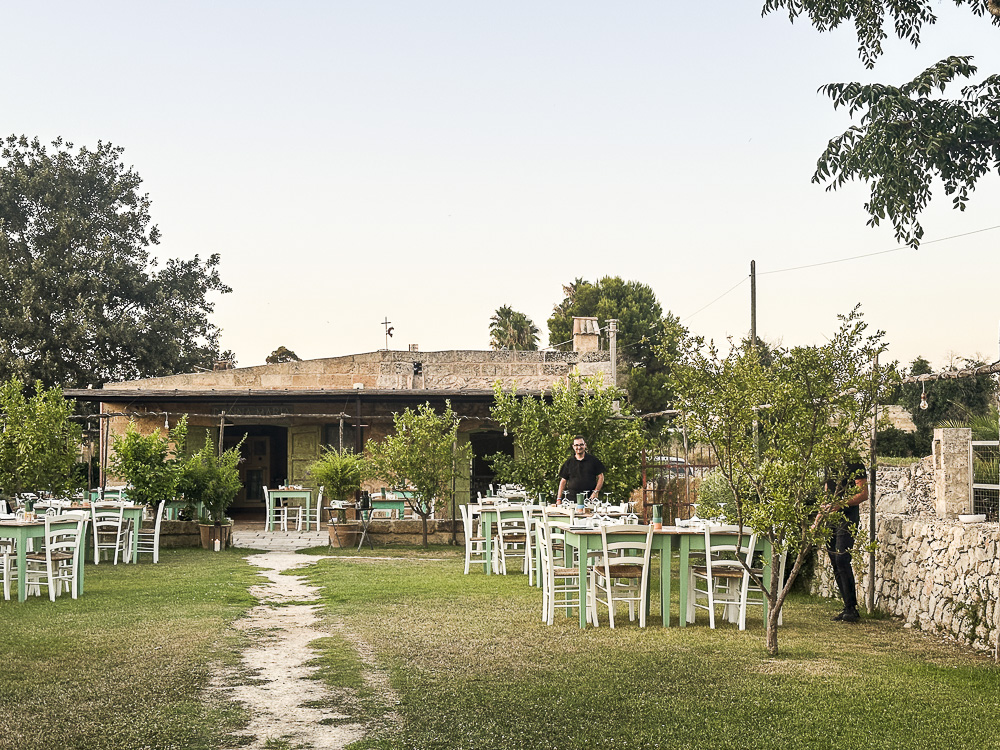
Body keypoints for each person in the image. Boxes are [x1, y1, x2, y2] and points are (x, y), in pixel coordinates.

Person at [824, 457, 868, 623]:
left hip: (848, 516)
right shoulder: (828, 462)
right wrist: (820, 515)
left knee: (842, 558)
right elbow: (827, 492)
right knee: (834, 559)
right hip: (832, 516)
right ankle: (847, 607)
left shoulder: (854, 462)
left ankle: (851, 608)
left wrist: (840, 504)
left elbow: (863, 493)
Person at [556, 436, 605, 502]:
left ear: (585, 445)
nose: (579, 447)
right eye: (576, 445)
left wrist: (596, 492)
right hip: (572, 500)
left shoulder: (593, 461)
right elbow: (563, 481)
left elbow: (601, 477)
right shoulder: (569, 462)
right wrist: (559, 499)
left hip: (590, 499)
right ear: (573, 447)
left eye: (581, 445)